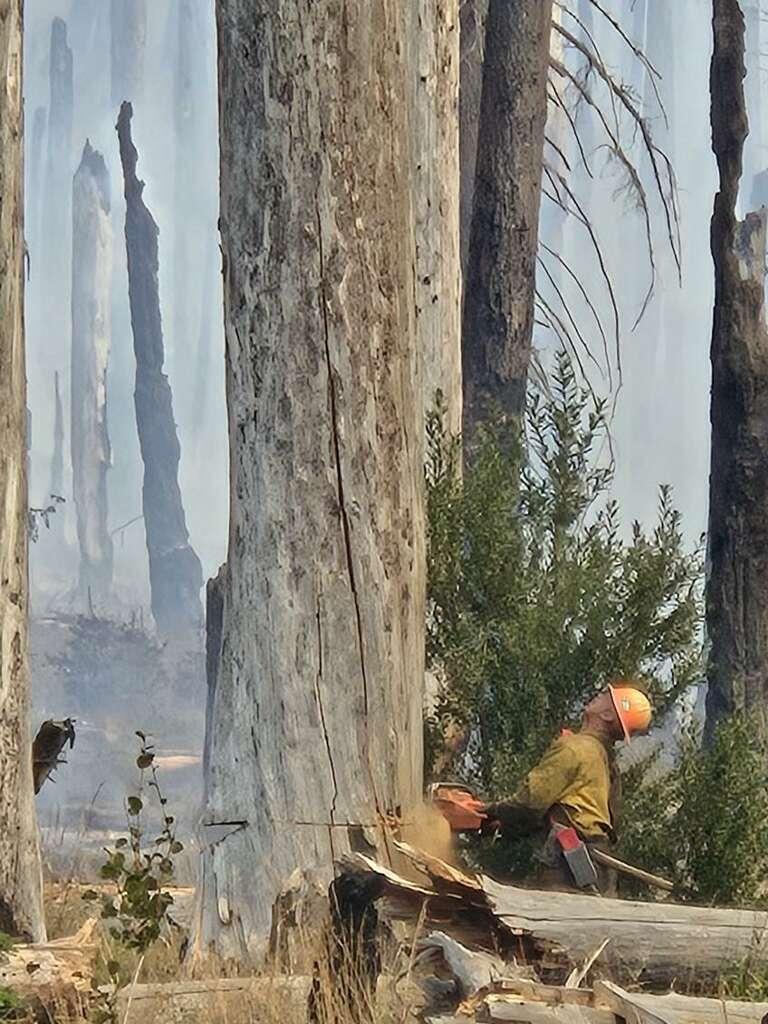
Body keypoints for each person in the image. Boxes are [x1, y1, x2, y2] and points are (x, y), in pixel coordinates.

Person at [479, 682, 653, 895]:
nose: (598, 694)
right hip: (596, 862)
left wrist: (488, 812)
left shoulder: (575, 748)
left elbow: (531, 802)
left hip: (567, 865)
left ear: (608, 714)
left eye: (606, 695)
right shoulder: (605, 760)